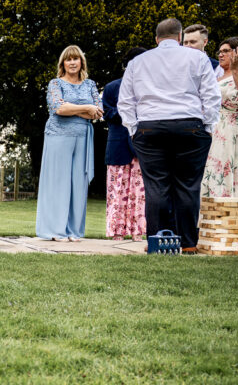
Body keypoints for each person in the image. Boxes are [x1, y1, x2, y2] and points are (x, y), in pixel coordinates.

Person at [118, 18, 221, 254]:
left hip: (150, 127)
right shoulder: (197, 58)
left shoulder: (138, 62)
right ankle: (188, 244)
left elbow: (125, 101)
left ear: (156, 39)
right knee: (187, 185)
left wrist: (134, 128)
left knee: (156, 186)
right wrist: (207, 125)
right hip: (189, 126)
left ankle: (157, 241)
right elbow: (211, 96)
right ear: (180, 36)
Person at [35, 45, 102, 242]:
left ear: (82, 62)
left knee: (78, 184)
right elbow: (58, 108)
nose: (72, 63)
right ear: (63, 63)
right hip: (58, 135)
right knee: (58, 183)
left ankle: (73, 231)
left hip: (82, 137)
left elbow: (98, 111)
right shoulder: (55, 84)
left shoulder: (90, 84)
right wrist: (86, 109)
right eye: (68, 59)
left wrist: (82, 109)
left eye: (76, 59)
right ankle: (55, 230)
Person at [200, 36, 238, 231]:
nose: (221, 54)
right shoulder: (216, 77)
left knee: (224, 173)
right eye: (220, 51)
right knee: (208, 175)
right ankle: (207, 226)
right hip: (211, 130)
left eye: (226, 51)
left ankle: (223, 226)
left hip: (229, 130)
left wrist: (235, 70)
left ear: (237, 53)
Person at [102, 47, 147, 241]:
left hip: (142, 144)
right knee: (116, 190)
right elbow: (107, 113)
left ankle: (138, 231)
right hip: (118, 144)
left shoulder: (150, 87)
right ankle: (116, 231)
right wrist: (127, 112)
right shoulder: (112, 87)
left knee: (140, 192)